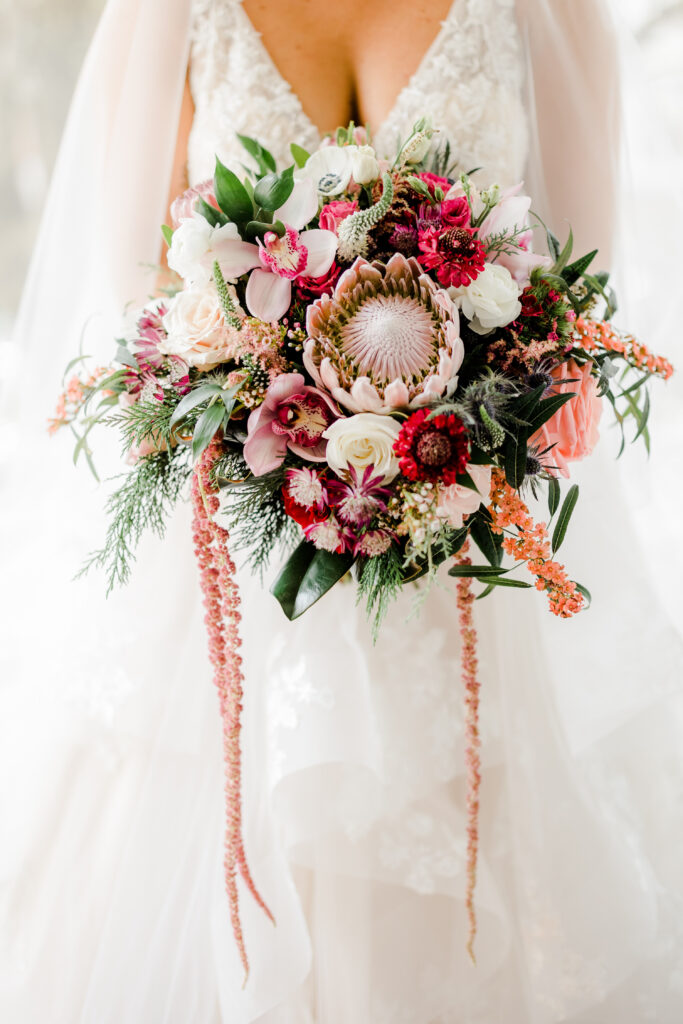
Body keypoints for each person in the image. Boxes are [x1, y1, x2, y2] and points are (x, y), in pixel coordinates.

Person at [2, 1, 682, 1021]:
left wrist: (430, 423)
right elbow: (138, 315)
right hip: (237, 563)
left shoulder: (542, 11)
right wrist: (293, 420)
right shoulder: (173, 14)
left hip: (469, 558)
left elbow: (574, 328)